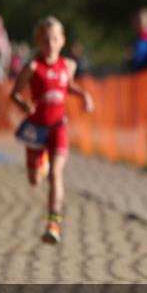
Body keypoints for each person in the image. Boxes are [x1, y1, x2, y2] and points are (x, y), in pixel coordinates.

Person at [11, 16, 94, 245]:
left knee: (56, 175)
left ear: (62, 41)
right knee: (34, 180)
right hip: (36, 130)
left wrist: (84, 95)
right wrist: (24, 105)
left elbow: (68, 85)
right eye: (46, 39)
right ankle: (41, 163)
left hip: (58, 127)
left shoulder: (68, 66)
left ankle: (53, 223)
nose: (50, 44)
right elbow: (14, 94)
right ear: (38, 41)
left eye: (55, 39)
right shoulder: (32, 67)